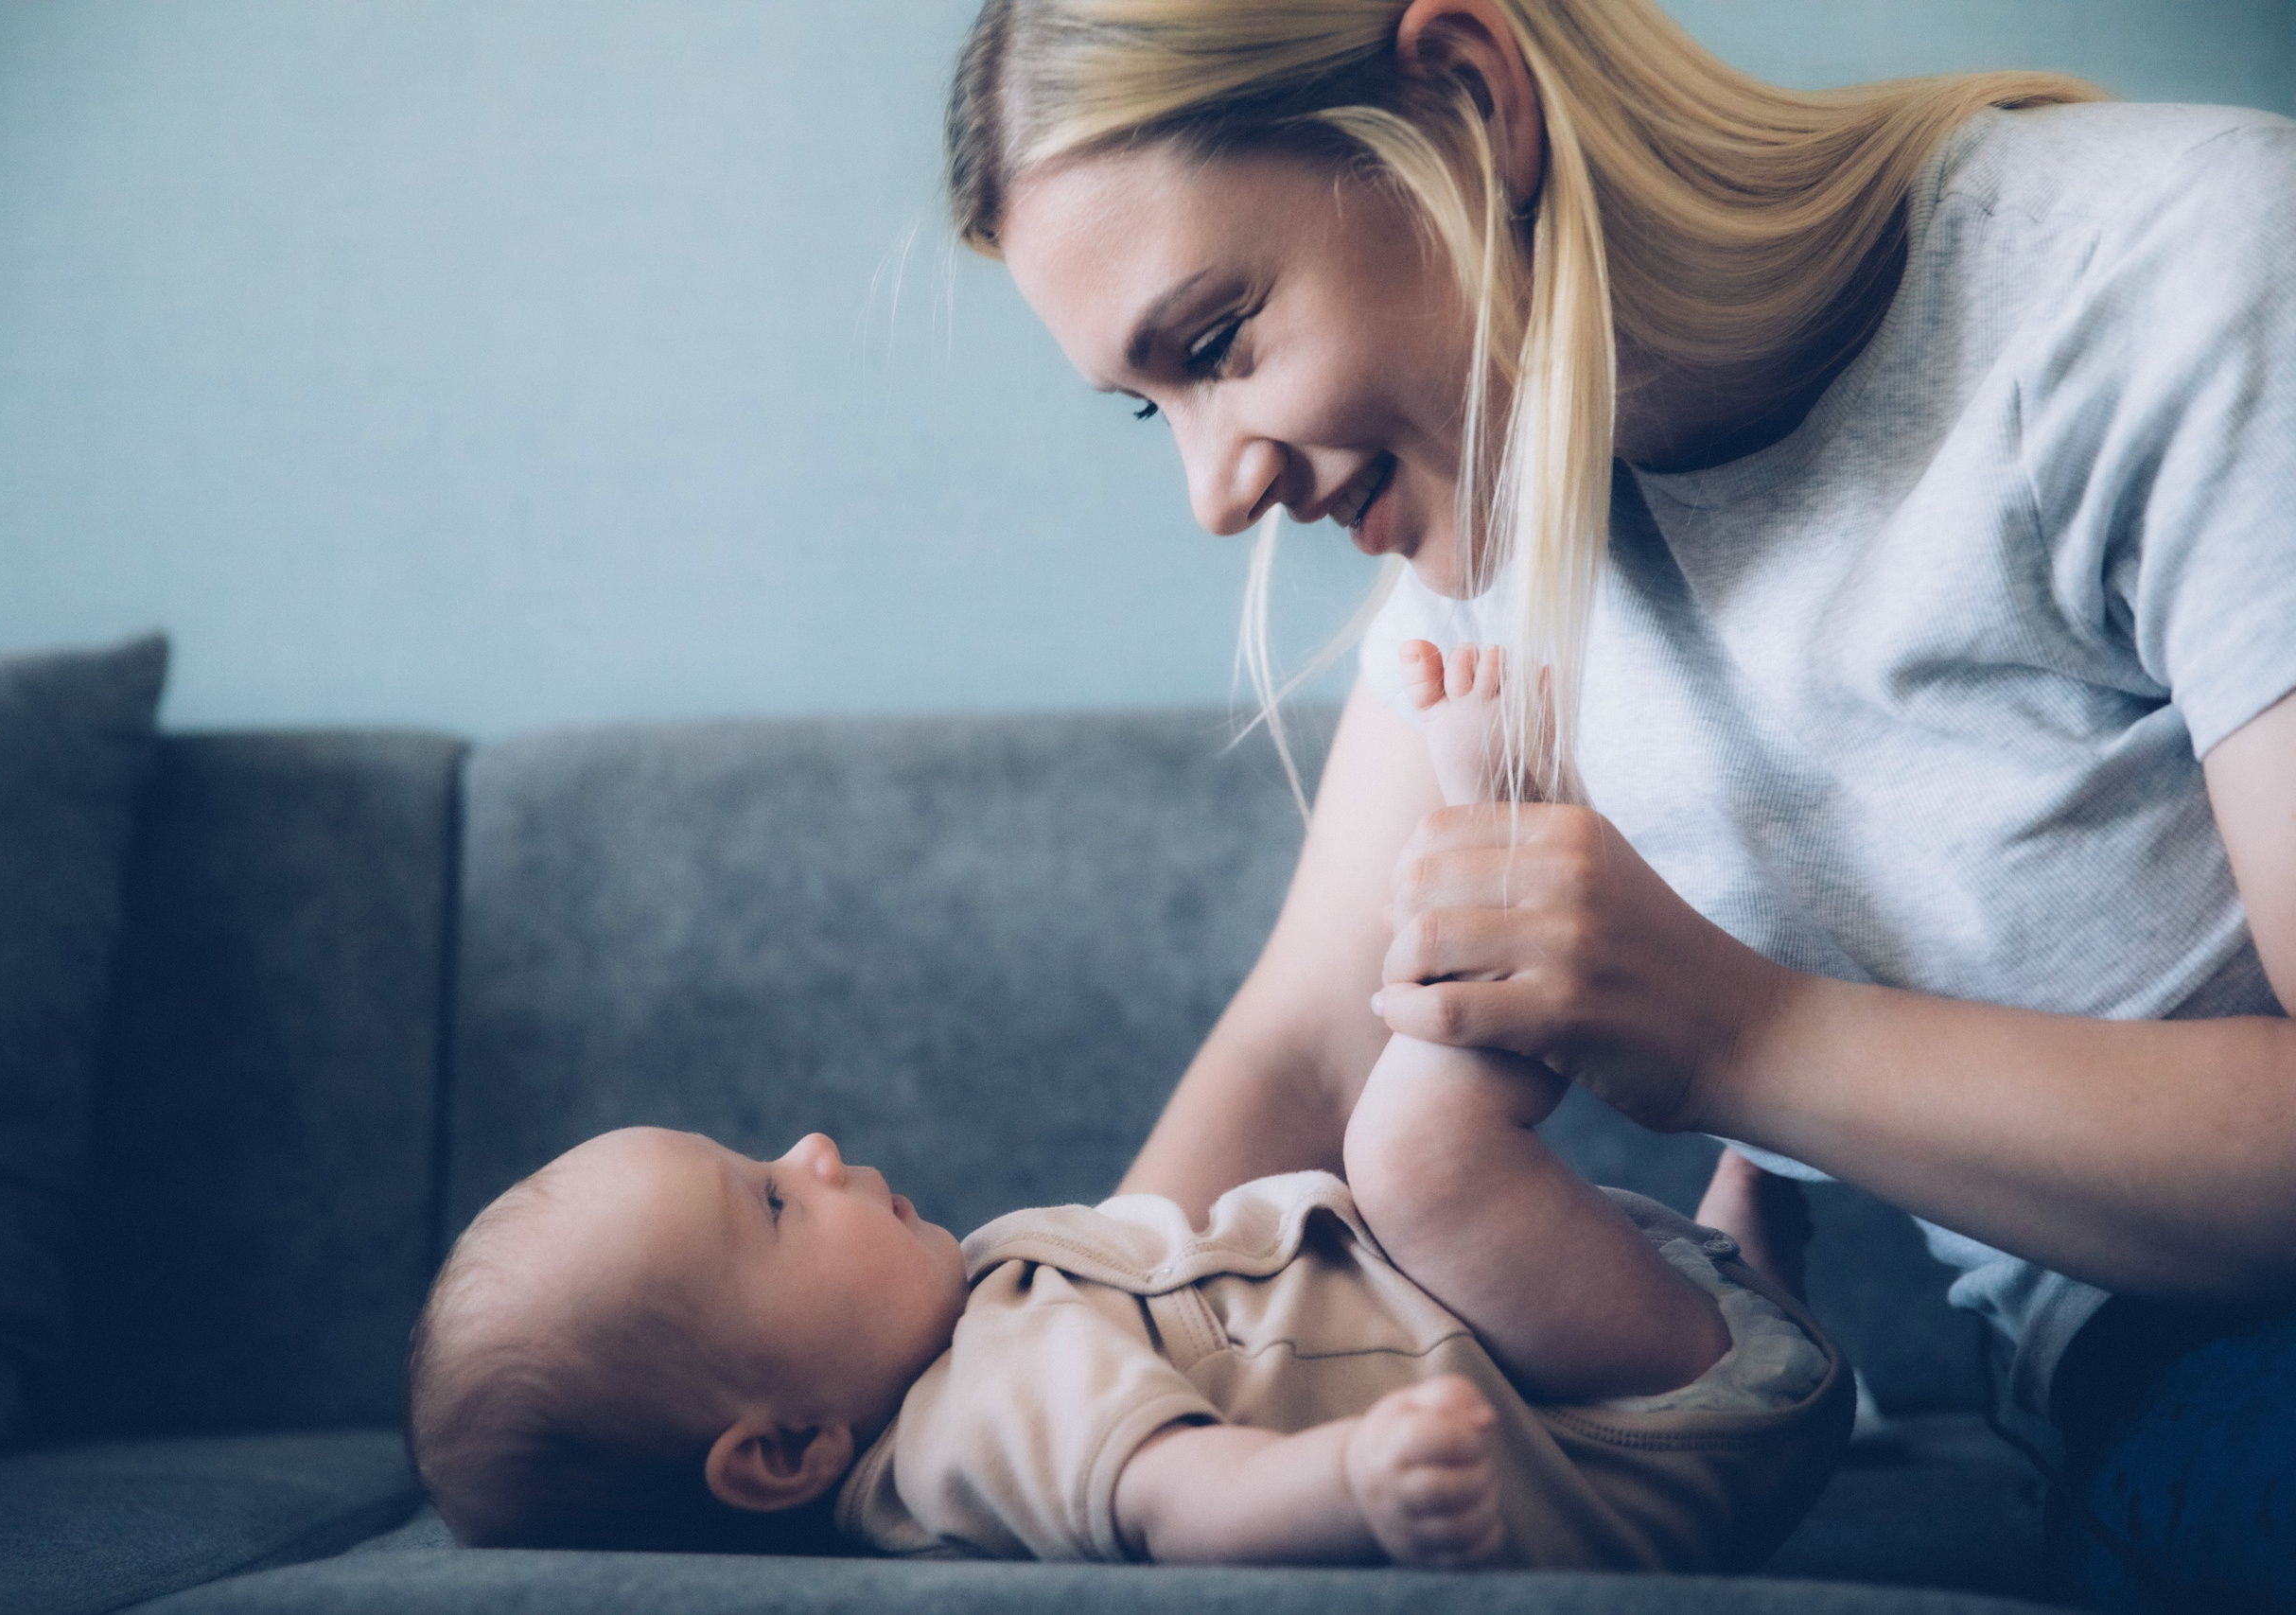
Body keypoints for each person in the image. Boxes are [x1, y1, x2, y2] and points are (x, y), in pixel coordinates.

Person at [944, 1, 2296, 1609]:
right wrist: (1001, 1380)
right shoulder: (1483, 520)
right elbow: (1303, 1053)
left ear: (1469, 99)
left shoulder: (2169, 270)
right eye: (1146, 402)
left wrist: (1742, 1038)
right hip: (2149, 1390)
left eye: (1222, 340)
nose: (1214, 488)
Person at [406, 691, 1853, 1561]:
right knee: (1414, 1156)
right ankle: (1520, 834)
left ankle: (1757, 1229)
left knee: (1410, 1188)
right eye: (770, 1204)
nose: (813, 1150)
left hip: (1653, 1369)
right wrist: (1349, 1480)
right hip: (1657, 1441)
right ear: (784, 1450)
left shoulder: (989, 1308)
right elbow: (1179, 1501)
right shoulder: (974, 1420)